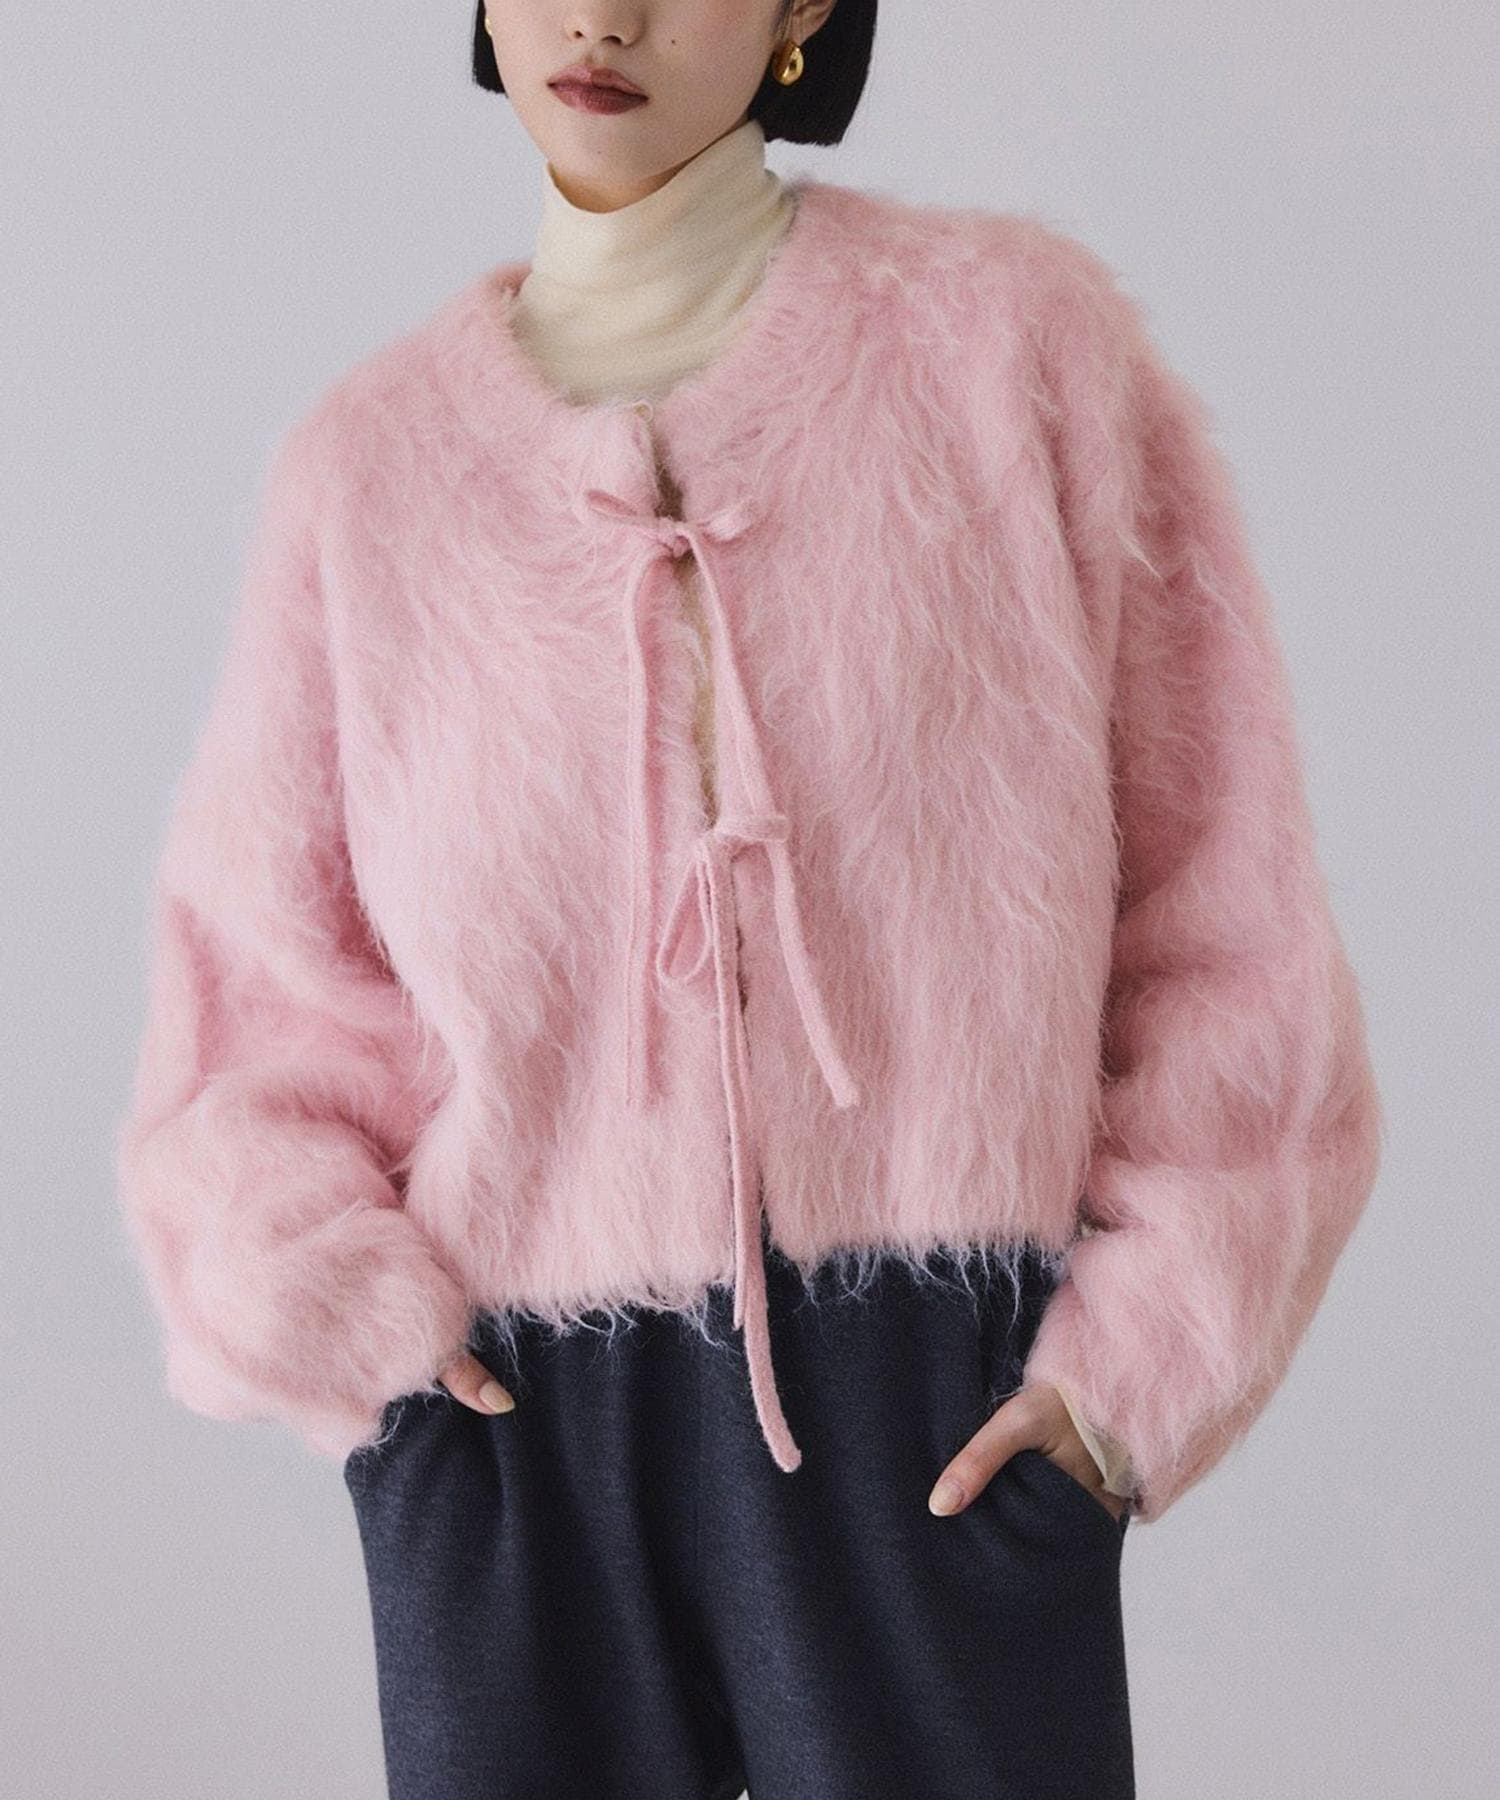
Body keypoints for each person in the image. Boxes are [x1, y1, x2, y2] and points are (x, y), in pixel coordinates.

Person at [113, 4, 1385, 1796]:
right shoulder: (366, 474)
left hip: (937, 1423)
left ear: (802, 10)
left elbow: (1225, 917)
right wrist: (372, 1363)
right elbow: (258, 1009)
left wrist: (1125, 1389)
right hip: (519, 1440)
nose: (603, 15)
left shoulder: (1016, 356)